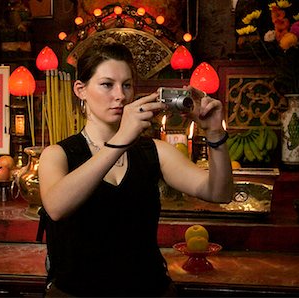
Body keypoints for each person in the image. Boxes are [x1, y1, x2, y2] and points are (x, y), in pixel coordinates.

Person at [38, 42, 234, 297]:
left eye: (127, 85)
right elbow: (56, 207)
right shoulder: (57, 154)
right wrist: (122, 139)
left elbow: (219, 192)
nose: (120, 95)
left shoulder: (154, 152)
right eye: (107, 84)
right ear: (81, 90)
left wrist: (215, 133)